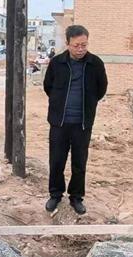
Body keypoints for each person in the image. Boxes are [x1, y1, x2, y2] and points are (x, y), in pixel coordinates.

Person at [43, 25, 108, 215]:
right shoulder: (57, 63)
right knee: (56, 160)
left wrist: (88, 105)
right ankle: (55, 194)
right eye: (76, 45)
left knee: (79, 162)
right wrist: (58, 104)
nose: (80, 49)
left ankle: (76, 197)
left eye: (84, 45)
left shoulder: (95, 63)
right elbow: (48, 86)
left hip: (82, 123)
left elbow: (101, 89)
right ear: (68, 43)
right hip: (59, 122)